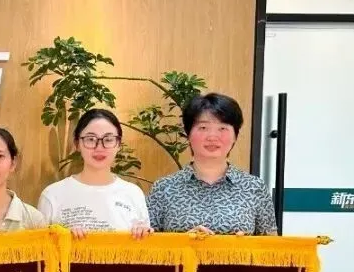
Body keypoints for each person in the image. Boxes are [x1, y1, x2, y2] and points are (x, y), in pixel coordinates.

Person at [147, 93, 277, 235]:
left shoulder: (254, 188)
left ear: (235, 136)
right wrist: (183, 243)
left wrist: (246, 244)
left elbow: (272, 245)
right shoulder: (164, 188)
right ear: (188, 134)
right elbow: (146, 245)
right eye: (203, 128)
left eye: (222, 128)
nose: (212, 137)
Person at [37, 109, 151, 239]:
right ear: (77, 144)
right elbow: (40, 246)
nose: (99, 147)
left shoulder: (133, 194)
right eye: (91, 139)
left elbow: (144, 248)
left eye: (108, 139)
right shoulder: (53, 195)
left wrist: (143, 235)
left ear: (118, 144)